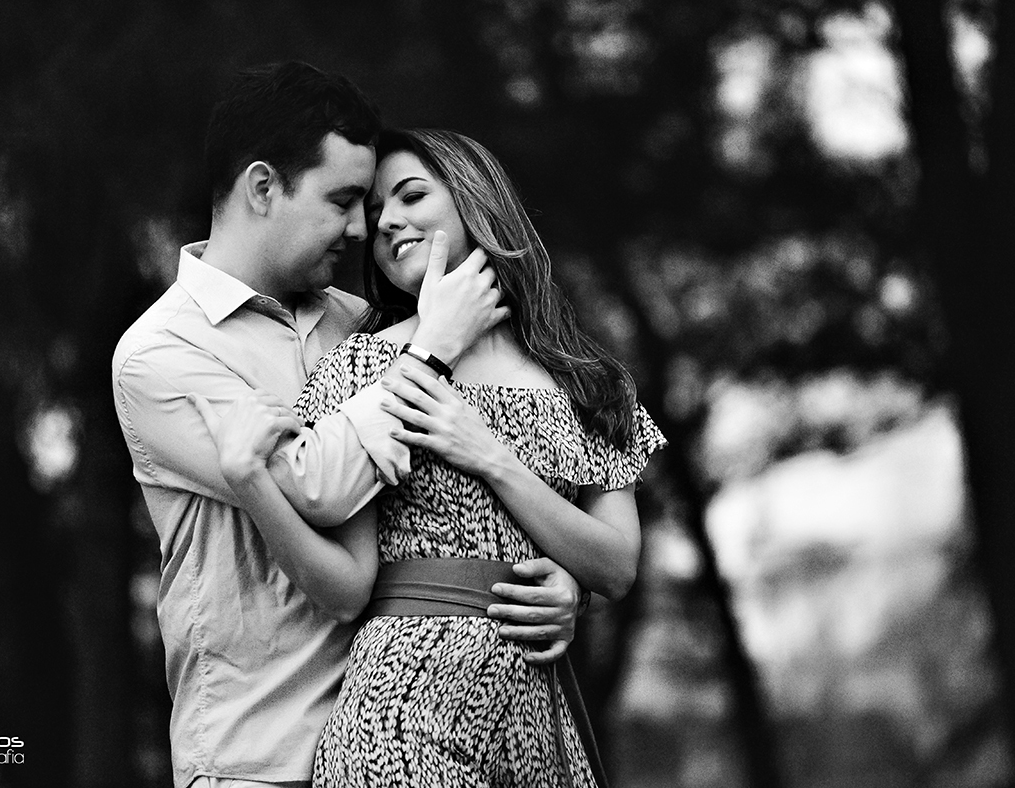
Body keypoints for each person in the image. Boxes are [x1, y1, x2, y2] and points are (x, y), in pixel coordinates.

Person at [111, 62, 584, 788]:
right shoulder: (161, 355)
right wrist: (431, 349)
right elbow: (315, 484)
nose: (364, 228)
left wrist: (550, 585)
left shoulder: (360, 326)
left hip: (413, 732)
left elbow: (442, 500)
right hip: (259, 757)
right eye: (342, 201)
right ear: (263, 188)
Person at [193, 127, 666, 788]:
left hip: (539, 722)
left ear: (476, 201)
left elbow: (616, 567)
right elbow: (346, 575)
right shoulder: (363, 368)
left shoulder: (590, 382)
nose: (386, 221)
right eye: (376, 210)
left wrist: (494, 462)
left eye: (411, 196)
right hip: (401, 715)